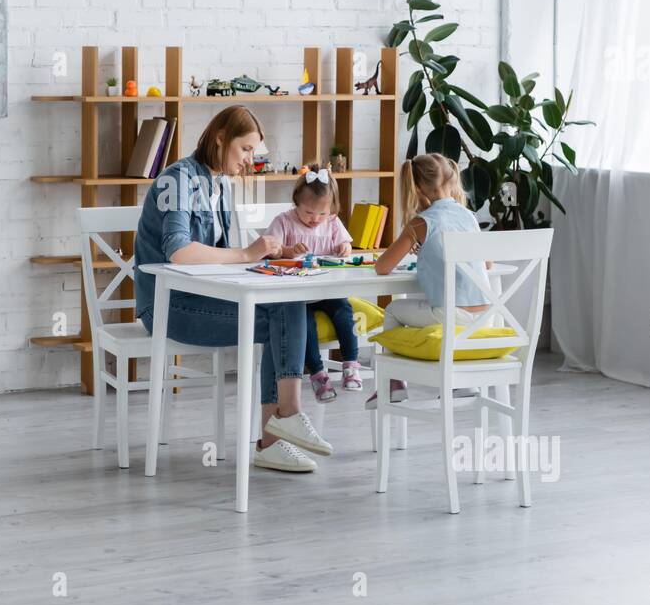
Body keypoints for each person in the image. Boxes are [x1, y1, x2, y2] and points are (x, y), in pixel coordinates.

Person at [134, 106, 333, 473]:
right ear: (220, 138)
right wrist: (246, 252)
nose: (249, 161)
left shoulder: (219, 184)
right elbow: (179, 251)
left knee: (285, 300)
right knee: (282, 318)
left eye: (254, 153)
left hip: (205, 300)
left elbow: (221, 258)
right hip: (168, 307)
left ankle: (282, 426)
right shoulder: (177, 181)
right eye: (245, 150)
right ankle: (278, 431)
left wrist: (273, 255)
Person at [367, 152, 490, 407]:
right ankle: (463, 385)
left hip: (451, 314)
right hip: (484, 315)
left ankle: (394, 384)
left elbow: (382, 267)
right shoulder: (467, 216)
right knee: (435, 310)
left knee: (393, 309)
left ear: (417, 187)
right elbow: (486, 264)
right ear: (450, 177)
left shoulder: (422, 223)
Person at [266, 164, 362, 399]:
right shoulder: (284, 221)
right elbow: (270, 251)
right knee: (303, 323)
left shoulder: (332, 222)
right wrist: (288, 250)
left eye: (322, 213)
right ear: (296, 202)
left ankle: (351, 363)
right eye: (309, 213)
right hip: (296, 295)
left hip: (326, 290)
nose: (315, 219)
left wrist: (344, 247)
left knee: (344, 310)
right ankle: (318, 374)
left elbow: (347, 246)